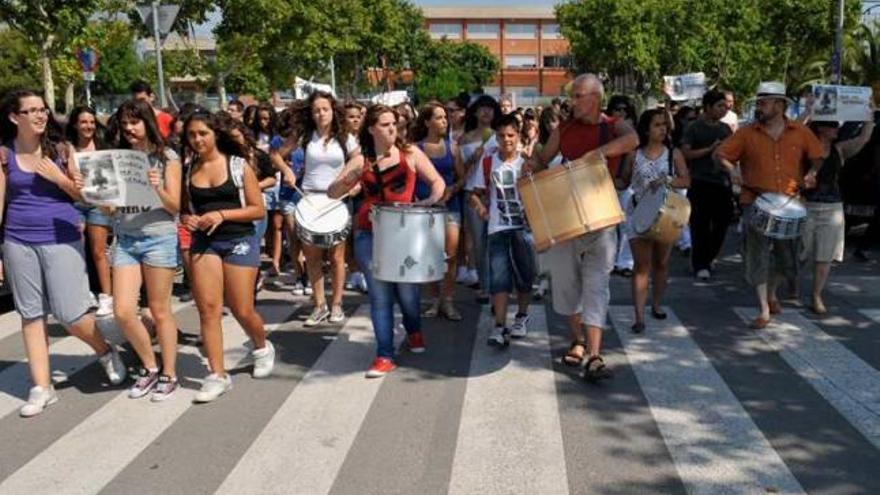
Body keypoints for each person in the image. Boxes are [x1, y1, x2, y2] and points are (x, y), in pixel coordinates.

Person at [0, 90, 124, 417]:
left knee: (71, 314)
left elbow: (90, 196)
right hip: (17, 240)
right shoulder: (3, 153)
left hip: (62, 236)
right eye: (32, 111)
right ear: (15, 117)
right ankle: (42, 387)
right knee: (31, 314)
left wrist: (59, 177)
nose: (41, 116)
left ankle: (104, 349)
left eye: (43, 109)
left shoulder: (61, 150)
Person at [533, 74, 639, 382]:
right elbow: (543, 160)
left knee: (597, 286)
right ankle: (577, 339)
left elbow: (633, 140)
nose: (572, 101)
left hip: (602, 217)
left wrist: (600, 153)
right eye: (573, 96)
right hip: (567, 217)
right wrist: (532, 163)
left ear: (595, 98)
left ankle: (594, 353)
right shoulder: (564, 128)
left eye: (578, 96)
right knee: (566, 284)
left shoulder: (613, 126)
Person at [327, 104, 444, 378]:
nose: (392, 128)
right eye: (384, 124)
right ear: (371, 129)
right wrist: (350, 179)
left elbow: (437, 182)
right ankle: (384, 354)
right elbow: (332, 192)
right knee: (380, 297)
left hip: (406, 232)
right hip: (369, 232)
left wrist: (428, 202)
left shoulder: (411, 153)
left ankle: (413, 330)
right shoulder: (360, 159)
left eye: (394, 123)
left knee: (407, 293)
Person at [182, 111, 275, 403]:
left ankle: (262, 346)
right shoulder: (188, 170)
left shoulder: (238, 166)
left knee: (241, 308)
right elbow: (185, 210)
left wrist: (222, 214)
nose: (197, 139)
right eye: (192, 134)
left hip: (239, 240)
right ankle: (217, 375)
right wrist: (188, 219)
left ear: (215, 135)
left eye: (203, 134)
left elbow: (258, 210)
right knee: (208, 310)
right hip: (204, 243)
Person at [715, 82, 824, 329]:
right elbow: (721, 153)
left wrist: (811, 173)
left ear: (779, 104)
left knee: (791, 259)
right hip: (755, 202)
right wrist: (732, 169)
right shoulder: (746, 132)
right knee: (758, 255)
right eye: (759, 103)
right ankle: (763, 308)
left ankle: (773, 291)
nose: (759, 108)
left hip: (790, 203)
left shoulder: (800, 131)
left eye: (764, 103)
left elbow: (818, 157)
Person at [109, 100, 183, 401]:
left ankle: (170, 373)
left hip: (158, 237)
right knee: (123, 311)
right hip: (126, 238)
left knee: (160, 309)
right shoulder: (117, 159)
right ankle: (150, 367)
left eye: (134, 122)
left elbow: (174, 206)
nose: (129, 128)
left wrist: (157, 187)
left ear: (147, 122)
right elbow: (109, 207)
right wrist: (100, 194)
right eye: (124, 123)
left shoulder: (167, 157)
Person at [619, 109, 690, 332]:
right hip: (638, 213)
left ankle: (656, 304)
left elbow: (686, 180)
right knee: (642, 266)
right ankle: (639, 316)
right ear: (646, 129)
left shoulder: (673, 154)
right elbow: (624, 181)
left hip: (666, 215)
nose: (662, 129)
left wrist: (667, 180)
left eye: (664, 125)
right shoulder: (634, 154)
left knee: (661, 263)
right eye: (657, 125)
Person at [470, 113, 536, 346]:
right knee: (499, 278)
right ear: (495, 138)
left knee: (524, 274)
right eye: (501, 135)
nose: (506, 139)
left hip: (523, 228)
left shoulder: (527, 163)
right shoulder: (488, 161)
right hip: (497, 227)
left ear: (518, 136)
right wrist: (481, 210)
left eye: (510, 135)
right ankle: (499, 325)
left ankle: (521, 316)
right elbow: (475, 193)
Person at [298, 91, 361, 326]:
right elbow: (277, 154)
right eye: (316, 110)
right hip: (310, 200)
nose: (321, 113)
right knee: (312, 257)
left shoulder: (346, 138)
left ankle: (336, 305)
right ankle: (319, 305)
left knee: (336, 257)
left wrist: (353, 184)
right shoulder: (306, 137)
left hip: (336, 201)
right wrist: (285, 171)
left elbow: (359, 163)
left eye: (325, 109)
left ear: (333, 111)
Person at [801, 117, 874, 314]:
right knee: (798, 254)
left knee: (825, 256)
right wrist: (807, 110)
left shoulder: (839, 149)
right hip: (807, 206)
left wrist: (867, 115)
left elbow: (864, 138)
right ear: (821, 128)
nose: (837, 128)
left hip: (832, 207)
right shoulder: (804, 148)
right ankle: (776, 288)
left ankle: (816, 295)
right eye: (833, 125)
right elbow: (794, 132)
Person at [413, 102, 465, 320]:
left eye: (445, 117)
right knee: (430, 255)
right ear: (427, 122)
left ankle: (448, 299)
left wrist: (452, 189)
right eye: (439, 117)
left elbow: (463, 177)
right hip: (425, 208)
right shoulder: (416, 148)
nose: (444, 121)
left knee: (450, 255)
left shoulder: (452, 148)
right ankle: (434, 299)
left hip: (449, 206)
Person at [65, 106, 114, 317]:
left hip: (97, 202)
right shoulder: (68, 148)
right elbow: (68, 176)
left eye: (92, 122)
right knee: (77, 249)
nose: (88, 126)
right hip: (75, 203)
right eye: (84, 122)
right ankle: (84, 293)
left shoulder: (103, 147)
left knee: (98, 251)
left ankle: (107, 297)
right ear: (75, 124)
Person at [682, 90, 734, 280]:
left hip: (722, 182)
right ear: (708, 107)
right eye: (719, 106)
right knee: (700, 225)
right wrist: (709, 150)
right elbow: (686, 153)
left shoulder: (726, 129)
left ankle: (709, 256)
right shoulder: (693, 127)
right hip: (700, 181)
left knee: (722, 222)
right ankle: (700, 264)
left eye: (725, 106)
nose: (723, 109)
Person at [459, 95, 503, 299]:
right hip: (471, 195)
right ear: (475, 112)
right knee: (478, 242)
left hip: (495, 194)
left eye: (490, 108)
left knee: (496, 241)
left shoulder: (501, 136)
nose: (486, 112)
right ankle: (485, 286)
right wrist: (472, 159)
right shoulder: (464, 139)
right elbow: (460, 172)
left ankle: (498, 285)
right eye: (482, 108)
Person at [606, 95, 638, 278]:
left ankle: (625, 262)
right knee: (608, 226)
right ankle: (609, 261)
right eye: (617, 109)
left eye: (625, 109)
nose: (621, 113)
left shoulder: (634, 131)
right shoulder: (605, 130)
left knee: (627, 225)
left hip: (627, 184)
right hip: (606, 182)